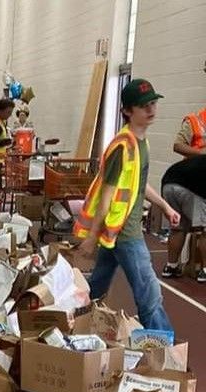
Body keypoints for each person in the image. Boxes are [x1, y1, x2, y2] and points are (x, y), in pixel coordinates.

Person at [74, 78, 180, 335]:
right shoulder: (122, 147)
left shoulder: (141, 143)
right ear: (127, 111)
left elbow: (138, 186)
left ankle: (75, 323)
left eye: (153, 103)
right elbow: (107, 195)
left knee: (97, 287)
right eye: (144, 106)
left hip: (116, 232)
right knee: (149, 296)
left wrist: (165, 206)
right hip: (125, 232)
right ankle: (166, 351)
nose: (151, 110)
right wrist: (91, 236)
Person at [160, 154, 206, 282]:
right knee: (204, 229)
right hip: (190, 189)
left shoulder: (199, 161)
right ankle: (205, 271)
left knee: (178, 228)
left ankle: (171, 266)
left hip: (168, 184)